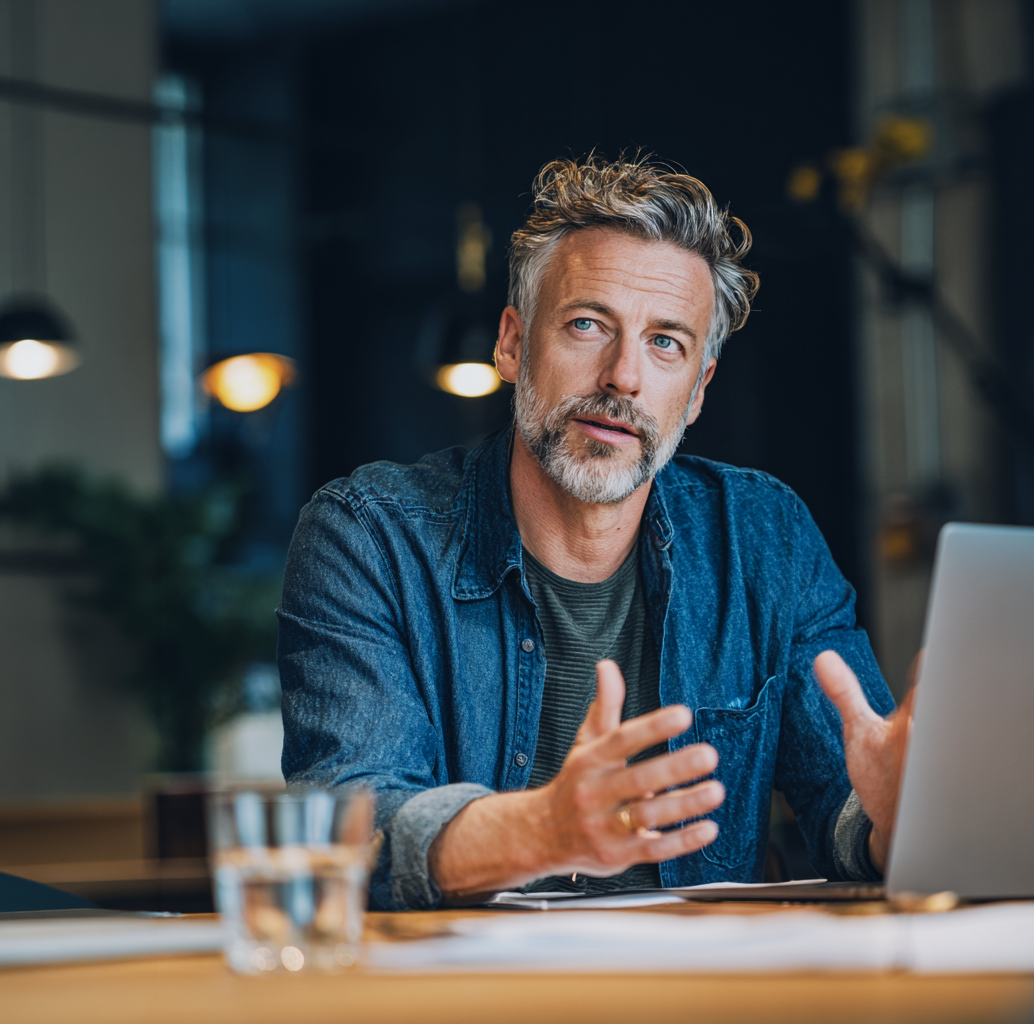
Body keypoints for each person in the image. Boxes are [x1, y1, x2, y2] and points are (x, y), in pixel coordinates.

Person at [280, 155, 913, 911]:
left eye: (666, 343)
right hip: (466, 976)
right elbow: (350, 828)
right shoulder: (369, 537)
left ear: (698, 391)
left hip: (694, 975)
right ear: (512, 344)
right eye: (587, 325)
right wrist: (541, 831)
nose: (623, 377)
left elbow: (852, 808)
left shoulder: (764, 537)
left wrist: (899, 822)